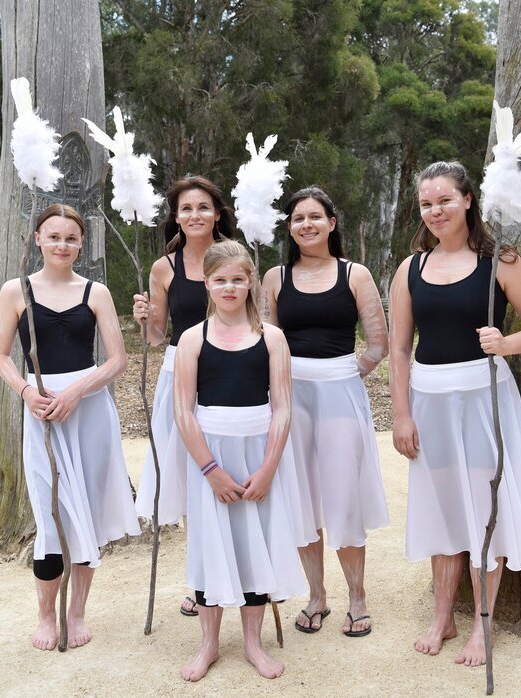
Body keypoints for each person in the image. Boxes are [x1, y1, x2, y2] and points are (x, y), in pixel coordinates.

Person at [389, 162, 521, 667]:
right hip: (430, 400)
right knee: (442, 512)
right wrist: (401, 414)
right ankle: (443, 616)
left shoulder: (501, 262)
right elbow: (398, 349)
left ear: (467, 200)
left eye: (444, 200)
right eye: (426, 204)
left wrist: (505, 343)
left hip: (484, 399)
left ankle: (483, 628)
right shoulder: (410, 268)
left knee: (486, 512)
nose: (435, 211)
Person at [0, 203, 140, 650]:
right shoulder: (15, 291)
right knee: (51, 519)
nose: (62, 244)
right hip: (40, 411)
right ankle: (45, 616)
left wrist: (76, 392)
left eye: (71, 238)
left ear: (82, 243)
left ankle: (76, 614)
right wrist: (25, 392)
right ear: (38, 239)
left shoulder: (96, 292)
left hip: (89, 410)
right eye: (53, 236)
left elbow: (117, 359)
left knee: (87, 519)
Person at [172, 239, 304, 681]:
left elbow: (283, 406)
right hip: (210, 455)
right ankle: (208, 644)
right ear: (207, 284)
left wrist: (268, 467)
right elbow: (183, 411)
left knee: (254, 546)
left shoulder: (272, 337)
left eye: (238, 279)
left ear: (251, 281)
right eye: (219, 280)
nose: (229, 287)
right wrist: (210, 470)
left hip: (258, 454)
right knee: (212, 544)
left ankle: (253, 643)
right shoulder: (194, 338)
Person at [262, 187, 389, 638]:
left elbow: (379, 344)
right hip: (291, 396)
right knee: (303, 497)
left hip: (340, 393)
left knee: (342, 495)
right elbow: (267, 340)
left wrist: (343, 374)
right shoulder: (274, 278)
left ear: (332, 223)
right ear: (290, 227)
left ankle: (358, 597)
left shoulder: (356, 275)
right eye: (298, 218)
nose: (306, 225)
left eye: (315, 217)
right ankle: (317, 596)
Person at [131, 176, 236, 617]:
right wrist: (144, 319)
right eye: (187, 208)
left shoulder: (233, 257)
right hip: (181, 374)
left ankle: (239, 576)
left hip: (231, 371)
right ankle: (201, 581)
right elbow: (157, 337)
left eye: (204, 207)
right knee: (195, 480)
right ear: (177, 217)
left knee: (230, 471)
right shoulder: (164, 267)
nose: (195, 215)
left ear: (217, 213)